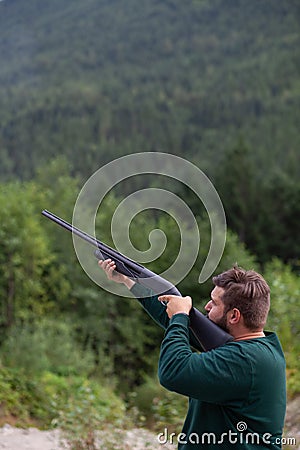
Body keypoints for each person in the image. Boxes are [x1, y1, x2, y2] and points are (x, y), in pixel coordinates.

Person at [98, 259, 286, 449]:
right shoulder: (259, 347)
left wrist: (180, 316)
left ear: (234, 316)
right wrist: (128, 281)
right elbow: (173, 319)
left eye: (214, 303)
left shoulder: (244, 360)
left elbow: (173, 371)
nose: (207, 307)